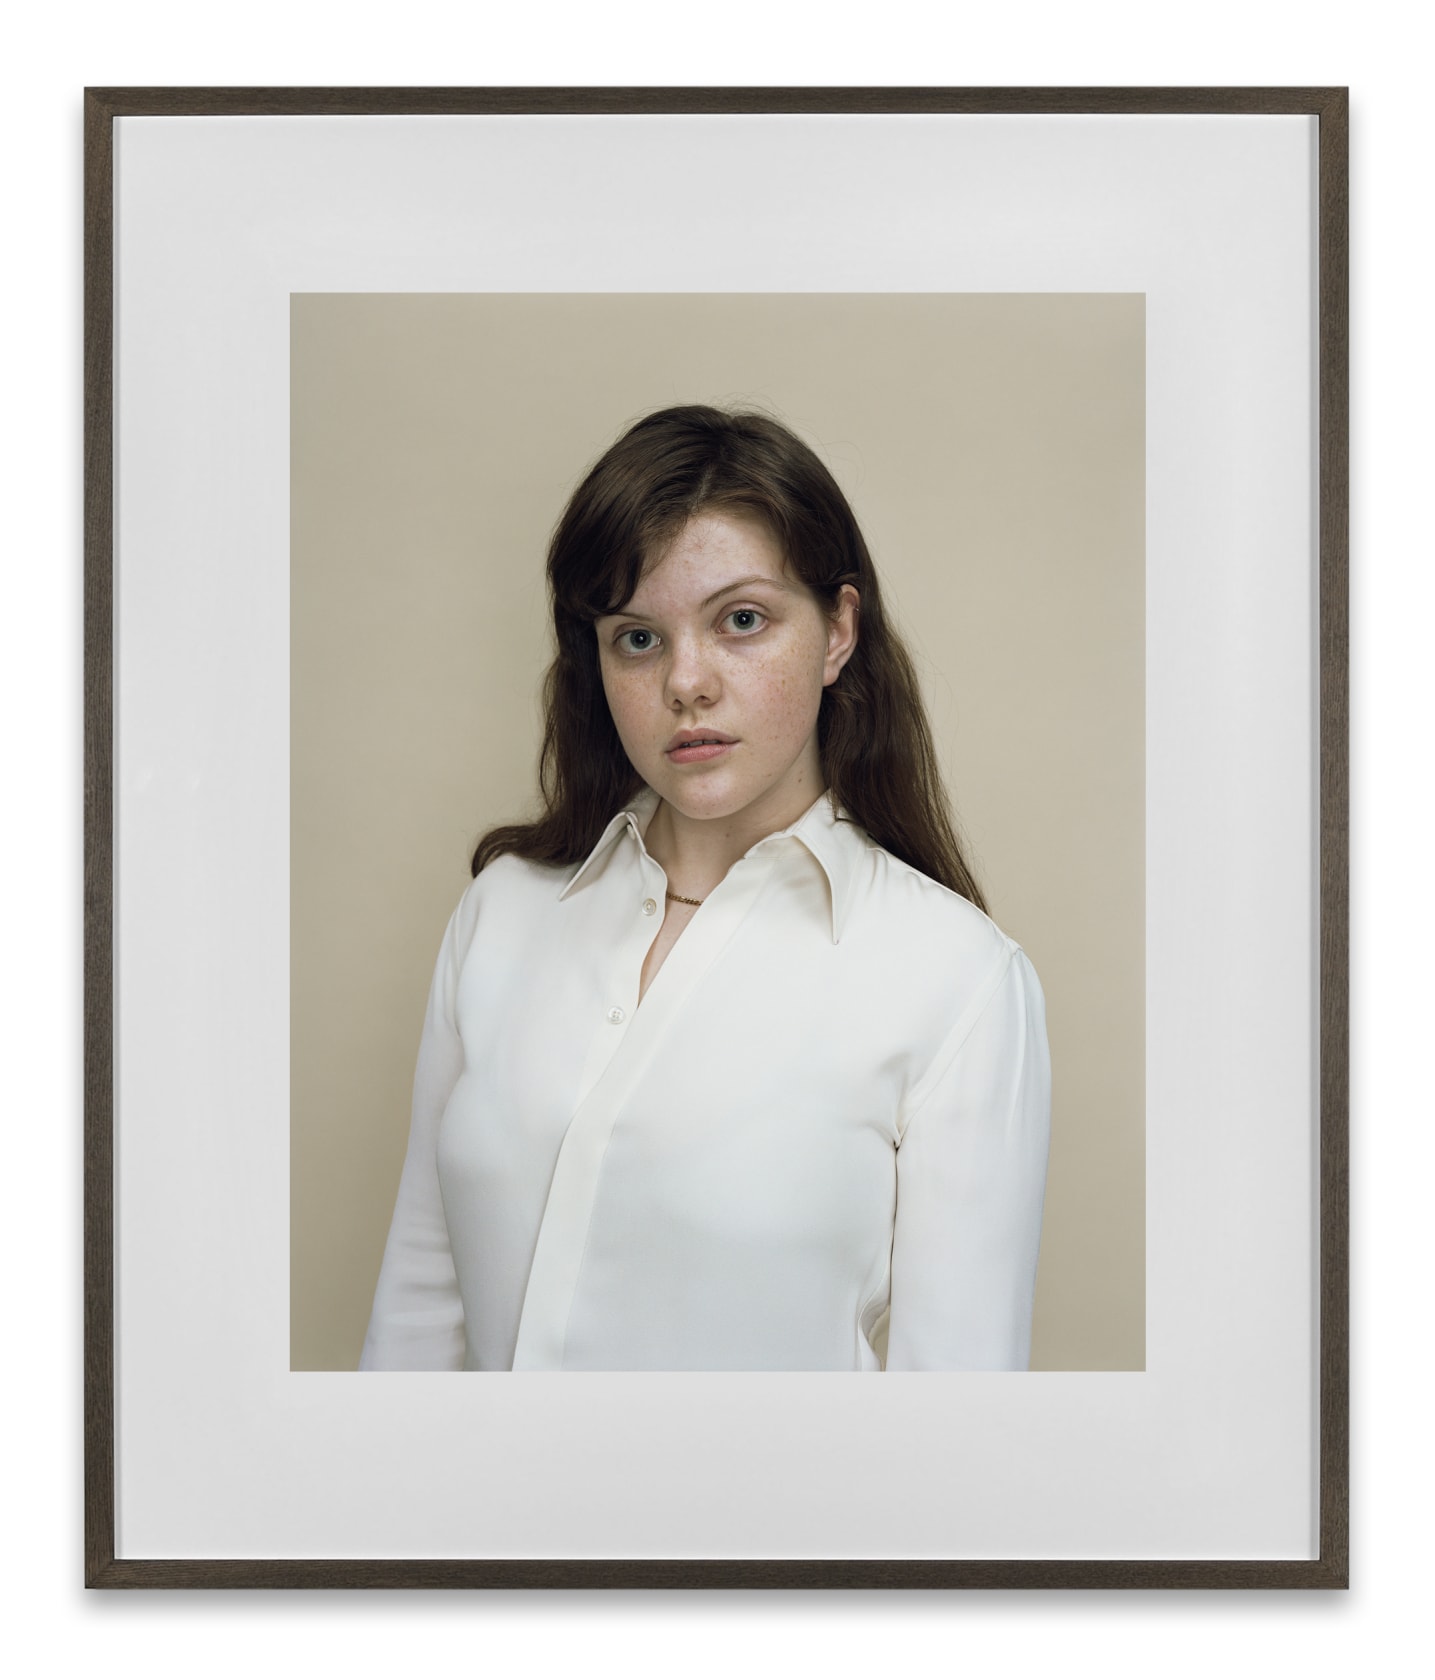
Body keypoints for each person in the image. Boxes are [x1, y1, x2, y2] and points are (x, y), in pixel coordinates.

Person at [359, 404, 1050, 1372]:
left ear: (838, 631)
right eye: (637, 638)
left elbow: (957, 1409)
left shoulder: (955, 980)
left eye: (741, 621)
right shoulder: (501, 914)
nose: (687, 682)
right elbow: (415, 1318)